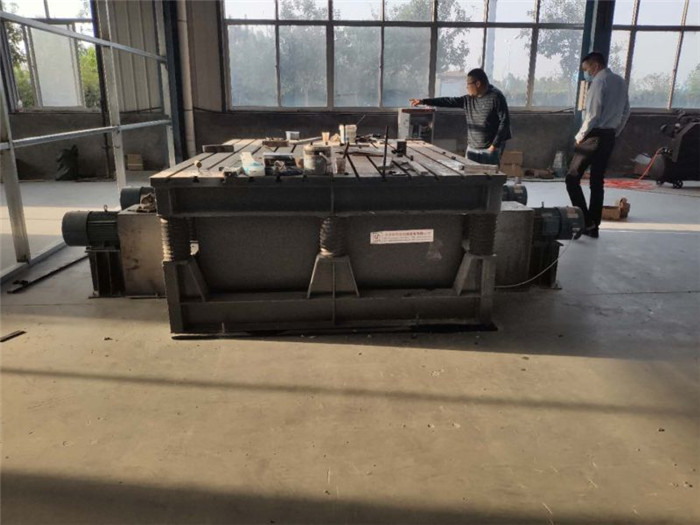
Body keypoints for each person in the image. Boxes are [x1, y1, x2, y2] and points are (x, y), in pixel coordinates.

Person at [568, 51, 630, 239]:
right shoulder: (620, 81)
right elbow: (627, 111)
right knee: (597, 181)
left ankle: (585, 221)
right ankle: (594, 226)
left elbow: (592, 115)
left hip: (593, 136)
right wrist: (615, 132)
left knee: (572, 178)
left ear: (595, 66)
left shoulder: (599, 82)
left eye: (586, 69)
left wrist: (580, 136)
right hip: (609, 136)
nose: (586, 73)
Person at [409, 68, 511, 165]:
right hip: (472, 147)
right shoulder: (469, 99)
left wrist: (494, 146)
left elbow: (505, 122)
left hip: (489, 149)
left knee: (488, 175)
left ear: (478, 84)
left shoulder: (496, 97)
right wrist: (423, 101)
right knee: (469, 174)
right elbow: (448, 101)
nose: (466, 87)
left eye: (468, 84)